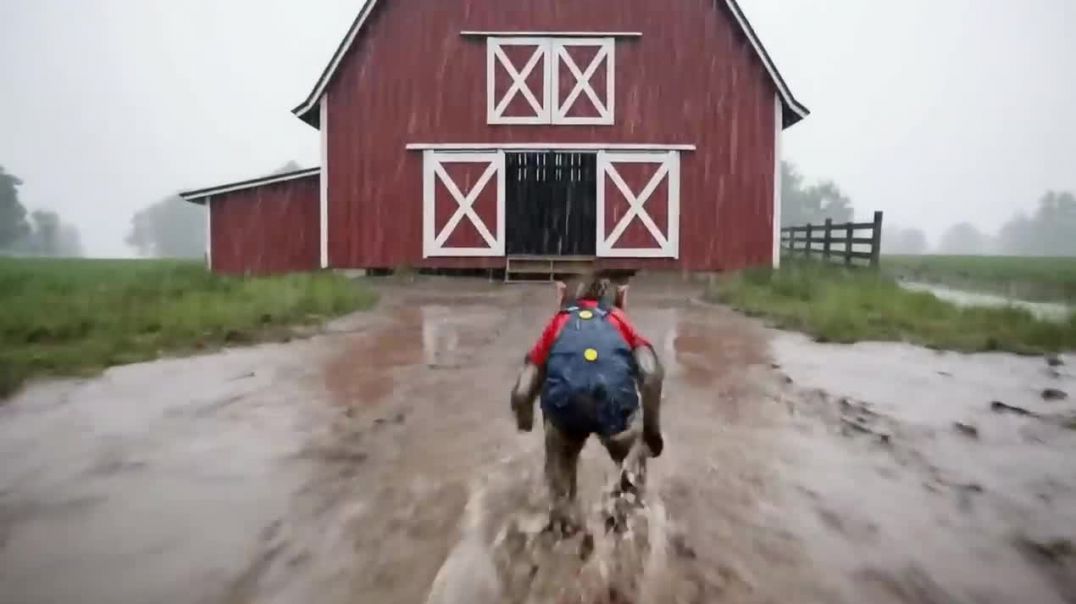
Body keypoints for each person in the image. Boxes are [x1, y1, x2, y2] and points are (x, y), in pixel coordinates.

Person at [510, 273, 665, 531]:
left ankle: (563, 524)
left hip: (565, 410)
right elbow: (650, 375)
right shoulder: (620, 321)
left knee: (559, 451)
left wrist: (524, 420)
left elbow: (523, 390)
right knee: (631, 455)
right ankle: (625, 520)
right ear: (622, 298)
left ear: (561, 296)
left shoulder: (559, 322)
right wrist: (651, 433)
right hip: (615, 406)